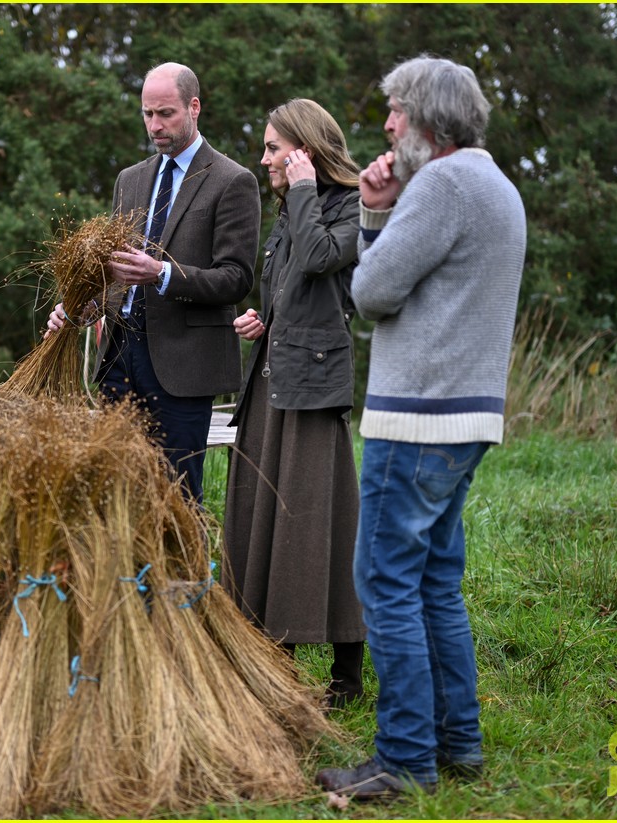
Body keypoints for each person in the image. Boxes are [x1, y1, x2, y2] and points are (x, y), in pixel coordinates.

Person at [315, 56, 526, 799]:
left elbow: (370, 292)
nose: (387, 123)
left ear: (429, 121)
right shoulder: (495, 184)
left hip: (418, 418)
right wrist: (384, 206)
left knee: (385, 580)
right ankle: (457, 744)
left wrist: (374, 213)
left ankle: (404, 758)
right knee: (435, 580)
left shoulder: (440, 184)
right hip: (469, 417)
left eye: (397, 109)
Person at [46, 62, 260, 504]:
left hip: (184, 367)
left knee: (176, 498)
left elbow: (235, 278)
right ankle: (126, 576)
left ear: (194, 107)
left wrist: (162, 274)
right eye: (148, 114)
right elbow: (115, 271)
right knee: (115, 492)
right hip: (119, 359)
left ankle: (183, 577)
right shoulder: (131, 179)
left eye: (166, 114)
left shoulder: (233, 181)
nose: (155, 126)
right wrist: (80, 306)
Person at [220, 99, 365, 709]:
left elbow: (319, 258)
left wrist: (305, 190)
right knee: (263, 519)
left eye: (274, 148)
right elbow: (301, 288)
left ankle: (347, 676)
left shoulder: (355, 204)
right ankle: (269, 663)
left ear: (305, 150)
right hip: (272, 384)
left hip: (312, 391)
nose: (264, 159)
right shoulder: (291, 210)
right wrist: (267, 319)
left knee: (317, 526)